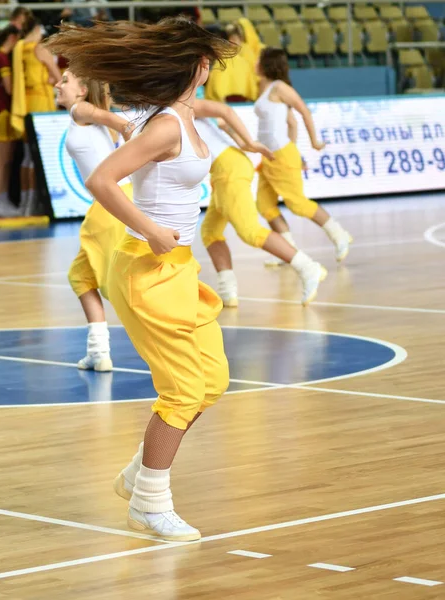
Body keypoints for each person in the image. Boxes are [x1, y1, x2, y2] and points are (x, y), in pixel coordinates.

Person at [47, 17, 237, 542]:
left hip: (181, 268)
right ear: (199, 69)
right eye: (209, 62)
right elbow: (102, 180)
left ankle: (138, 474)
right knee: (182, 390)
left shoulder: (185, 116)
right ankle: (150, 503)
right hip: (148, 269)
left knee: (212, 381)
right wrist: (151, 228)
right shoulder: (166, 126)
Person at [195, 106, 327, 306]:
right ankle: (228, 291)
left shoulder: (180, 101)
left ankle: (308, 267)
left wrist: (248, 142)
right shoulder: (169, 107)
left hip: (228, 168)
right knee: (210, 231)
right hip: (225, 168)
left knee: (250, 232)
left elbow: (224, 112)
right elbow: (222, 122)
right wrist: (242, 142)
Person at [54, 70, 134, 372]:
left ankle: (172, 339)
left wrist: (130, 131)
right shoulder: (87, 115)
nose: (57, 85)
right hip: (114, 202)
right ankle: (98, 352)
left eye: (64, 80)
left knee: (119, 289)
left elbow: (123, 123)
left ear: (83, 90)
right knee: (81, 277)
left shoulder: (80, 110)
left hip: (108, 206)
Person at [254, 48, 353, 262]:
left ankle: (339, 234)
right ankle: (289, 251)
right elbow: (291, 122)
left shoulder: (280, 87)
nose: (254, 63)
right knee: (264, 205)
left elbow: (304, 111)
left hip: (280, 154)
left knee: (297, 203)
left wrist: (314, 142)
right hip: (269, 156)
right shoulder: (265, 88)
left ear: (266, 64)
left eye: (257, 60)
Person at [11, 17, 62, 215]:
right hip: (41, 103)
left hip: (28, 102)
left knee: (26, 157)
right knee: (36, 156)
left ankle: (25, 202)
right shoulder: (39, 48)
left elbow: (36, 75)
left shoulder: (20, 48)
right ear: (37, 29)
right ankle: (34, 202)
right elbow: (57, 76)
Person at [0, 24, 21, 217]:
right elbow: (9, 88)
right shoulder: (1, 57)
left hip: (0, 112)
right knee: (1, 160)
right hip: (1, 113)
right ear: (12, 38)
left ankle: (2, 200)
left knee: (6, 160)